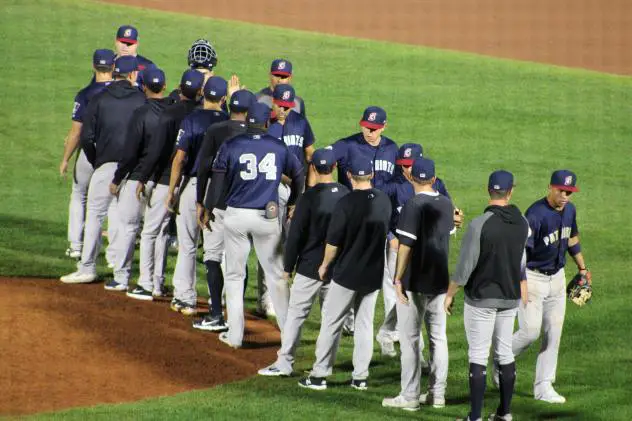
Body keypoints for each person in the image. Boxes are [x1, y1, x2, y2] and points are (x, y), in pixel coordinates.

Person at [204, 102, 305, 348]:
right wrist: (292, 202)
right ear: (268, 123)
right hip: (267, 218)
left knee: (235, 276)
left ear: (247, 120)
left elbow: (217, 184)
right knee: (277, 277)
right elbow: (299, 175)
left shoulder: (231, 145)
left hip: (236, 216)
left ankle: (235, 336)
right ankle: (289, 338)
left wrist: (208, 209)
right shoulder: (278, 147)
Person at [298, 157, 392, 391]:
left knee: (331, 323)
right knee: (364, 325)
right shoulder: (383, 200)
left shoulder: (346, 203)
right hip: (373, 274)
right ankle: (360, 377)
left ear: (349, 175)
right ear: (371, 175)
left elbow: (333, 243)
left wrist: (323, 266)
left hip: (347, 274)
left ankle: (319, 375)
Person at [444, 170, 529, 421]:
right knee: (505, 353)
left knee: (479, 355)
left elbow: (465, 267)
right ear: (511, 191)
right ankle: (505, 413)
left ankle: (476, 417)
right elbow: (522, 260)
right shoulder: (523, 222)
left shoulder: (480, 224)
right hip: (510, 297)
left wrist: (450, 294)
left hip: (481, 298)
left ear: (488, 190)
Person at [257, 148, 350, 376]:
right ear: (335, 168)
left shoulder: (308, 198)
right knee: (332, 320)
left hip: (309, 267)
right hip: (338, 268)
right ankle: (323, 368)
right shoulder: (346, 194)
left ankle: (285, 363)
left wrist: (287, 268)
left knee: (296, 316)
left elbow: (296, 237)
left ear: (314, 168)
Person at [60, 56, 146, 285]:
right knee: (125, 219)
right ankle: (120, 273)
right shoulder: (141, 100)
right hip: (131, 170)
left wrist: (97, 159)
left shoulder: (99, 99)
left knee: (95, 215)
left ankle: (87, 267)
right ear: (132, 75)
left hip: (104, 165)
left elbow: (87, 136)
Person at [506, 170, 589, 404]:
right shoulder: (535, 214)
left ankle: (544, 386)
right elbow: (520, 253)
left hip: (558, 279)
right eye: (561, 190)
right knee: (530, 332)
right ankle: (502, 357)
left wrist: (582, 268)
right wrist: (520, 282)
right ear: (550, 187)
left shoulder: (570, 210)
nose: (565, 196)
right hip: (533, 279)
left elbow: (572, 238)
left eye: (569, 192)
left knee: (554, 332)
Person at [381, 157, 455, 411]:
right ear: (434, 179)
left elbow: (406, 246)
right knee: (438, 338)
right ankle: (438, 395)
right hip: (440, 280)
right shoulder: (446, 203)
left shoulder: (413, 204)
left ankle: (410, 396)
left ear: (412, 178)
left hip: (414, 281)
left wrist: (398, 278)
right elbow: (451, 231)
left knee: (410, 338)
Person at [377, 143, 463, 358]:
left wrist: (456, 220)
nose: (406, 170)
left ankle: (387, 332)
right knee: (401, 297)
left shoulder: (437, 184)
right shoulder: (391, 186)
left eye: (410, 165)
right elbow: (380, 214)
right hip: (401, 247)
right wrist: (390, 237)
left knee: (407, 299)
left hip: (428, 250)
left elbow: (448, 213)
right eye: (403, 165)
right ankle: (417, 353)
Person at [101, 67, 173, 297]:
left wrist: (117, 178)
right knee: (158, 233)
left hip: (136, 179)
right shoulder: (173, 113)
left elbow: (130, 152)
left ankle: (121, 277)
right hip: (162, 182)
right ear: (164, 86)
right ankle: (157, 283)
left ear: (143, 87)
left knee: (128, 227)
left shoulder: (140, 113)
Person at [133, 69, 205, 299]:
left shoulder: (169, 113)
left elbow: (157, 150)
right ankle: (178, 289)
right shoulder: (204, 116)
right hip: (194, 183)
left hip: (167, 180)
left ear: (179, 88)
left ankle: (148, 284)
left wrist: (143, 177)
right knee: (187, 241)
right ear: (200, 92)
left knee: (153, 232)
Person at [192, 89, 254, 331]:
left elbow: (204, 168)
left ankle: (216, 313)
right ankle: (235, 316)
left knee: (212, 257)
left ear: (229, 107)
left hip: (217, 206)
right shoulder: (256, 135)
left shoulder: (216, 131)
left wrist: (200, 202)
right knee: (239, 262)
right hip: (246, 207)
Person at [167, 76, 229, 315]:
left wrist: (171, 191)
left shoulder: (191, 119)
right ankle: (222, 299)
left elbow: (179, 159)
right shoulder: (227, 122)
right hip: (220, 192)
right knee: (218, 251)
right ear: (223, 99)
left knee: (187, 245)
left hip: (193, 187)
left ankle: (185, 299)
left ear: (203, 93)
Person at [257, 83, 316, 317]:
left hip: (297, 191)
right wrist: (291, 179)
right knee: (271, 243)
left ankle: (288, 295)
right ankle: (266, 297)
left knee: (294, 244)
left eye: (288, 106)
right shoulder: (266, 126)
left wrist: (308, 188)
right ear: (273, 102)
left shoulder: (300, 123)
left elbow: (311, 154)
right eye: (281, 105)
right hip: (272, 190)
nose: (284, 110)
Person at [60, 49, 114, 259]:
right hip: (114, 156)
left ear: (94, 67)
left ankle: (75, 246)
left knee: (79, 194)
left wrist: (65, 159)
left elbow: (76, 132)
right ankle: (112, 253)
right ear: (113, 67)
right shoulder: (124, 92)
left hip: (88, 155)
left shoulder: (85, 95)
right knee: (112, 201)